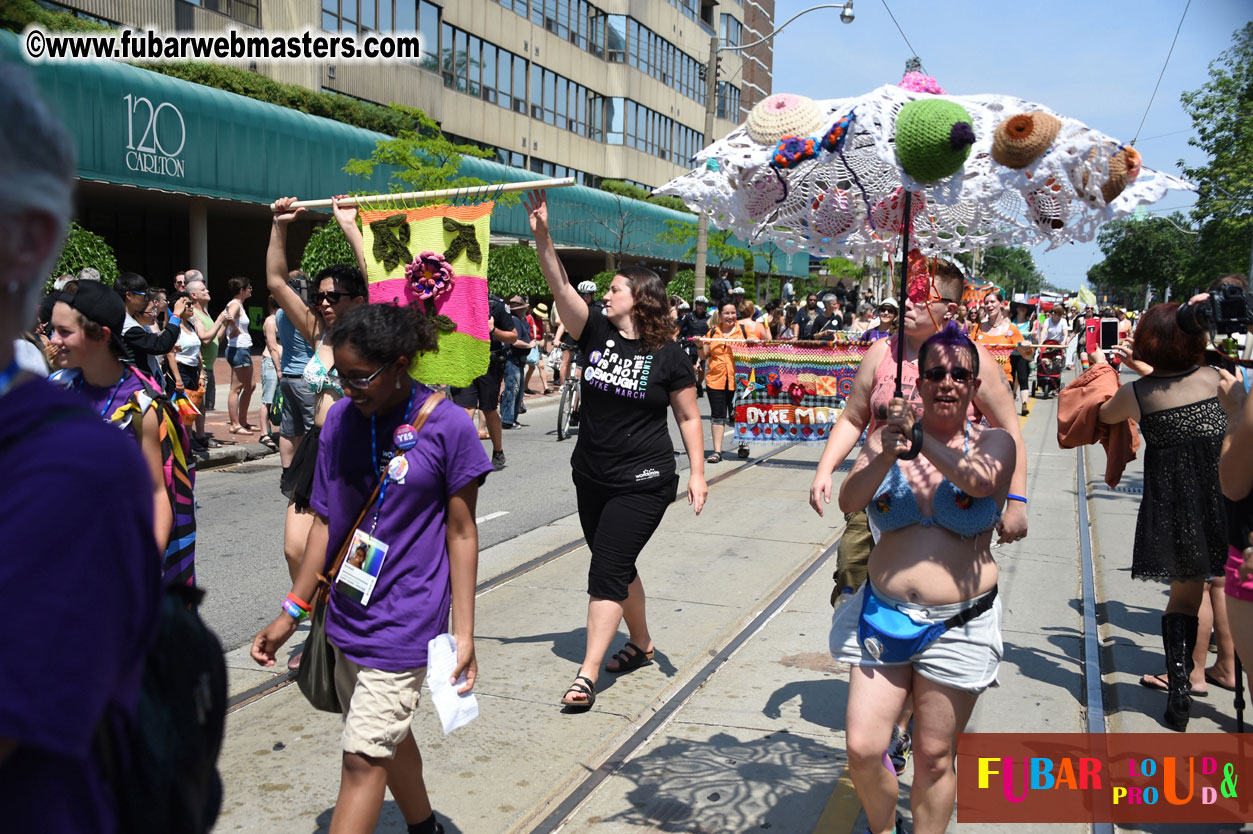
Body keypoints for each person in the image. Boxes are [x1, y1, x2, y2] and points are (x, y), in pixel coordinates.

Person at [250, 303, 490, 834]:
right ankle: (424, 826)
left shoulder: (449, 427)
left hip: (407, 619)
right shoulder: (338, 420)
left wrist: (465, 632)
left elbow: (462, 532)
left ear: (400, 364)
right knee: (386, 737)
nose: (346, 387)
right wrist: (292, 612)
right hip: (346, 615)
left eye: (360, 377)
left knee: (362, 757)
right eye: (340, 375)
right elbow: (325, 523)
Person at [0, 63, 162, 834]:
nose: (56, 341)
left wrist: (158, 584)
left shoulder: (80, 461)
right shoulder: (66, 402)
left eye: (69, 332)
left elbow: (157, 487)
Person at [525, 189, 707, 711]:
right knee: (618, 565)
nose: (607, 294)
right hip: (593, 475)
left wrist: (697, 473)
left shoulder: (669, 355)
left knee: (606, 569)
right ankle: (643, 643)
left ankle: (586, 676)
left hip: (645, 480)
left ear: (641, 297)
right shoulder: (595, 330)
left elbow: (689, 416)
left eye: (616, 288)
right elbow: (558, 283)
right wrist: (543, 234)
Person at [831, 322, 1014, 834]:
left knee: (935, 755)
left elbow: (976, 481)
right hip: (883, 615)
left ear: (975, 387)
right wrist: (888, 449)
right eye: (935, 372)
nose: (948, 382)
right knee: (864, 747)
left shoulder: (995, 442)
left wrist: (921, 441)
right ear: (918, 381)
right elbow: (850, 502)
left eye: (960, 374)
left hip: (960, 621)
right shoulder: (885, 438)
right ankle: (883, 827)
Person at [1093, 303, 1228, 731]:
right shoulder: (1218, 378)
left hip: (1174, 509)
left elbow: (1103, 415)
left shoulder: (1139, 394)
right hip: (1227, 499)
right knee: (1229, 593)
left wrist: (1103, 370)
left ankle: (1180, 693)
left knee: (1184, 600)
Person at [50, 280, 197, 585]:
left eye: (64, 332)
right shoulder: (56, 390)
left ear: (102, 335)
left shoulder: (143, 405)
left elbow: (159, 495)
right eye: (53, 329)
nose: (53, 340)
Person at [268, 196, 370, 605]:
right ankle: (318, 624)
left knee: (355, 552)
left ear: (357, 301)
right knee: (296, 549)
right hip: (318, 447)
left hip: (362, 447)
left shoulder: (370, 336)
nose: (324, 302)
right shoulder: (318, 333)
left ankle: (350, 631)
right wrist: (279, 225)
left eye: (335, 296)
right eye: (320, 295)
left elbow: (379, 281)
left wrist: (349, 225)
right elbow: (276, 281)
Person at [450, 292, 517, 465]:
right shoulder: (456, 301)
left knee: (489, 408)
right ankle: (463, 453)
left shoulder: (496, 305)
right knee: (465, 409)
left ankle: (498, 451)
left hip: (490, 363)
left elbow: (513, 336)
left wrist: (492, 330)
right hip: (463, 362)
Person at [700, 301, 757, 463]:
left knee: (739, 414)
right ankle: (717, 452)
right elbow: (704, 355)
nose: (730, 316)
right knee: (717, 416)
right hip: (715, 379)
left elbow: (758, 347)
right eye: (727, 313)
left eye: (733, 313)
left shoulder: (745, 331)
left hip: (740, 380)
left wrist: (752, 344)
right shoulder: (712, 333)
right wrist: (699, 345)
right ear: (720, 314)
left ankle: (743, 444)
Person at [115, 271, 188, 388]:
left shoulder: (129, 321)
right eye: (143, 295)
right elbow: (160, 345)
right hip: (136, 389)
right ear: (129, 295)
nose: (146, 299)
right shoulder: (126, 326)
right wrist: (176, 316)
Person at [970, 289, 1029, 416]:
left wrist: (1026, 348)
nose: (989, 305)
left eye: (992, 302)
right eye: (986, 303)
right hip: (980, 380)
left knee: (1000, 419)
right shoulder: (977, 328)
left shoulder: (1012, 330)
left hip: (1003, 381)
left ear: (1001, 304)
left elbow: (1027, 356)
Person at [185, 272, 220, 447]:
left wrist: (223, 323)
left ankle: (200, 434)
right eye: (203, 289)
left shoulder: (205, 313)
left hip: (209, 366)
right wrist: (221, 319)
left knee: (202, 403)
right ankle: (191, 438)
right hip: (200, 366)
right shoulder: (194, 315)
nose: (207, 291)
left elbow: (215, 338)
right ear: (194, 295)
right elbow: (205, 339)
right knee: (196, 402)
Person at [221, 276, 257, 434]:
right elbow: (227, 316)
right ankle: (235, 424)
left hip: (244, 348)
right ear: (242, 290)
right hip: (238, 349)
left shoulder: (239, 304)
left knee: (250, 386)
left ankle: (243, 421)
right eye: (248, 287)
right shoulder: (235, 304)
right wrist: (234, 330)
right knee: (236, 388)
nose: (250, 289)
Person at [500, 295, 536, 429]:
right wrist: (529, 345)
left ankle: (511, 419)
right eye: (522, 309)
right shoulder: (515, 321)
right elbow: (514, 341)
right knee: (512, 390)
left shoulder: (519, 320)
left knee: (517, 390)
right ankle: (507, 420)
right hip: (512, 359)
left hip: (518, 360)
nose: (524, 311)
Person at [259, 297, 282, 451]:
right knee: (267, 399)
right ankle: (263, 433)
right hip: (271, 364)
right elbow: (272, 346)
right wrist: (279, 368)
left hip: (281, 363)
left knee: (278, 397)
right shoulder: (270, 321)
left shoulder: (281, 320)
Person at [678, 296, 709, 394]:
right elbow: (678, 328)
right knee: (692, 368)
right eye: (699, 304)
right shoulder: (689, 316)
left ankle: (699, 384)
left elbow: (712, 331)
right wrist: (674, 337)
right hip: (690, 346)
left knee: (701, 373)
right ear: (695, 305)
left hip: (702, 347)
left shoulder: (708, 317)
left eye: (703, 305)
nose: (700, 307)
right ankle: (692, 387)